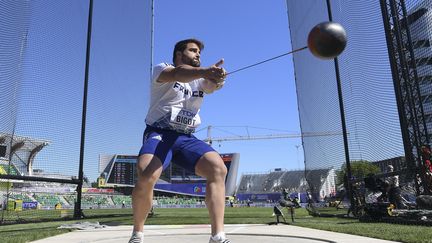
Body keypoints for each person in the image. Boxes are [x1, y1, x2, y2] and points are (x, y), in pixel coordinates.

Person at [128, 38, 230, 243]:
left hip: (186, 138)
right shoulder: (163, 68)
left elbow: (212, 86)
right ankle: (137, 233)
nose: (198, 55)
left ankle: (217, 236)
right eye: (193, 51)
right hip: (160, 133)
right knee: (146, 173)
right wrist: (204, 72)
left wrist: (218, 78)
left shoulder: (200, 81)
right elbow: (177, 74)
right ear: (179, 54)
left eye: (199, 52)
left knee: (218, 168)